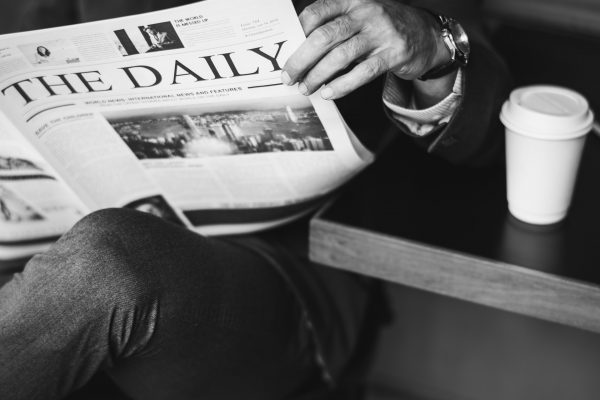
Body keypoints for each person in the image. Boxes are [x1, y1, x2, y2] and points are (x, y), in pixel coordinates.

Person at [0, 0, 511, 399]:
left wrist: (433, 43)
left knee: (100, 269)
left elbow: (489, 126)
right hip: (47, 224)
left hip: (280, 263)